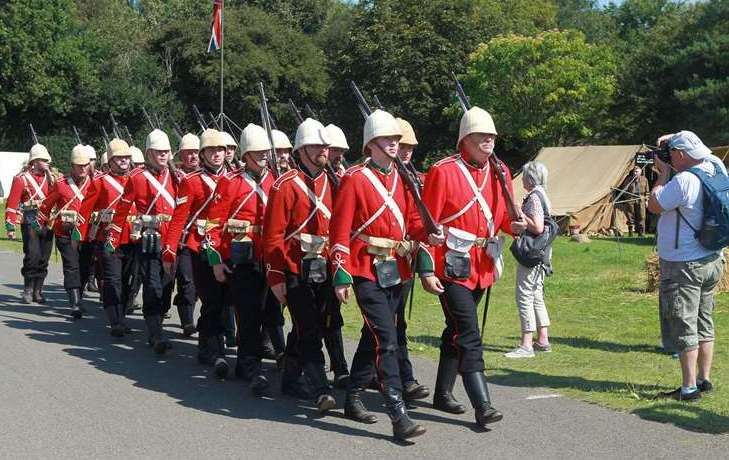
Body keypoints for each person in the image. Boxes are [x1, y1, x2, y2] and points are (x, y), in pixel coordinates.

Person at [330, 110, 440, 441]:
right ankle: (398, 413)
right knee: (387, 340)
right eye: (388, 140)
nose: (394, 144)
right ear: (371, 144)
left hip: (398, 267)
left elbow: (412, 221)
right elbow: (340, 228)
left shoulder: (403, 176)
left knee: (375, 336)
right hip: (365, 267)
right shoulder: (355, 178)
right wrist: (340, 274)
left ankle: (352, 395)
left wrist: (429, 232)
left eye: (396, 140)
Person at [419, 106, 521, 429]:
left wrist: (515, 225)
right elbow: (427, 225)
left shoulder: (500, 171)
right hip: (450, 265)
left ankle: (442, 393)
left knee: (456, 331)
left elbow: (501, 217)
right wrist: (427, 269)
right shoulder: (443, 171)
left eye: (492, 135)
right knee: (469, 331)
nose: (489, 140)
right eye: (482, 135)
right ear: (466, 138)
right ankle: (483, 404)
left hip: (482, 264)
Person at [263, 117, 336, 413]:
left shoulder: (334, 182)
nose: (324, 150)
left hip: (326, 265)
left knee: (314, 325)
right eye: (317, 145)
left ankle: (290, 378)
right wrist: (276, 275)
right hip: (294, 267)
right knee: (308, 327)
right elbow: (273, 235)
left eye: (325, 146)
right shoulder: (285, 185)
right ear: (302, 149)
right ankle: (321, 389)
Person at [647, 130, 726, 401]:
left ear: (680, 155)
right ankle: (704, 379)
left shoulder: (683, 181)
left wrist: (661, 174)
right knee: (705, 320)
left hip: (685, 264)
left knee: (684, 324)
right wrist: (671, 140)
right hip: (712, 258)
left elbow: (654, 205)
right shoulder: (716, 167)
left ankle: (688, 387)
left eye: (672, 154)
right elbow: (690, 141)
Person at [207, 123, 277, 394]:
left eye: (265, 152)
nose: (263, 156)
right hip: (242, 256)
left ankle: (260, 359)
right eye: (257, 152)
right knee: (247, 312)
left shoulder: (277, 180)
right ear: (246, 155)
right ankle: (249, 364)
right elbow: (213, 223)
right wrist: (215, 259)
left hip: (270, 255)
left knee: (269, 312)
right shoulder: (230, 182)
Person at [164, 129, 228, 374]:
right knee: (211, 299)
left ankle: (208, 344)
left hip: (224, 246)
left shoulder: (234, 179)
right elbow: (179, 218)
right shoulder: (191, 182)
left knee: (223, 302)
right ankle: (215, 351)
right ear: (202, 154)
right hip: (197, 246)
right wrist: (169, 249)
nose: (217, 155)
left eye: (220, 150)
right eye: (211, 150)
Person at [109, 129, 178, 354]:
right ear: (149, 153)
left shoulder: (177, 176)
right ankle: (155, 333)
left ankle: (157, 322)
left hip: (173, 237)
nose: (163, 155)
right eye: (158, 151)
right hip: (150, 235)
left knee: (167, 284)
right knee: (152, 283)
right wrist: (113, 234)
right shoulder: (137, 177)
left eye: (166, 151)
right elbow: (122, 208)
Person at [79, 139, 135, 337]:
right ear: (110, 161)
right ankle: (115, 321)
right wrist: (81, 235)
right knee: (112, 280)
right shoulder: (101, 181)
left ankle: (122, 316)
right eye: (119, 158)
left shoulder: (136, 179)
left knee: (128, 281)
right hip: (108, 236)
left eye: (126, 157)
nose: (123, 161)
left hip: (133, 237)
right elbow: (86, 208)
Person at [505, 160, 552, 358]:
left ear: (530, 177)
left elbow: (538, 227)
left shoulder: (533, 197)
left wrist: (522, 218)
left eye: (524, 175)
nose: (522, 178)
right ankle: (543, 338)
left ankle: (526, 344)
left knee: (524, 295)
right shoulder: (543, 195)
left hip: (531, 253)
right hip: (542, 252)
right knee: (536, 294)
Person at [38, 145, 92, 319]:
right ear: (72, 165)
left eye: (85, 165)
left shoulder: (95, 183)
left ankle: (79, 295)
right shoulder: (61, 185)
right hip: (65, 232)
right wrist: (42, 223)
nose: (82, 168)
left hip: (88, 232)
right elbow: (46, 205)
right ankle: (75, 302)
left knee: (84, 267)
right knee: (71, 266)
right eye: (79, 165)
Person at [5, 143, 55, 304]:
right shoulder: (21, 179)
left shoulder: (52, 178)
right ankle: (27, 289)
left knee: (44, 258)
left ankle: (38, 291)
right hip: (30, 221)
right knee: (32, 256)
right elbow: (12, 203)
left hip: (48, 222)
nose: (48, 162)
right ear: (34, 161)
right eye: (44, 160)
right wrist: (10, 226)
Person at [172, 132, 201, 337]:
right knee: (186, 281)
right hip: (180, 236)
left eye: (195, 153)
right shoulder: (173, 177)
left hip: (203, 237)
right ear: (181, 155)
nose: (192, 157)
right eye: (188, 153)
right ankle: (187, 321)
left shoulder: (208, 176)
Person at [619, 166, 649, 236]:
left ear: (640, 172)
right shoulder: (628, 179)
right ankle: (631, 232)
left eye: (637, 172)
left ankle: (641, 233)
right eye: (634, 172)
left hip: (641, 199)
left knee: (642, 216)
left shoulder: (644, 179)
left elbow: (647, 192)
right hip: (631, 198)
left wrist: (647, 200)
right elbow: (624, 190)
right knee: (630, 215)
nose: (635, 173)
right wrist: (628, 196)